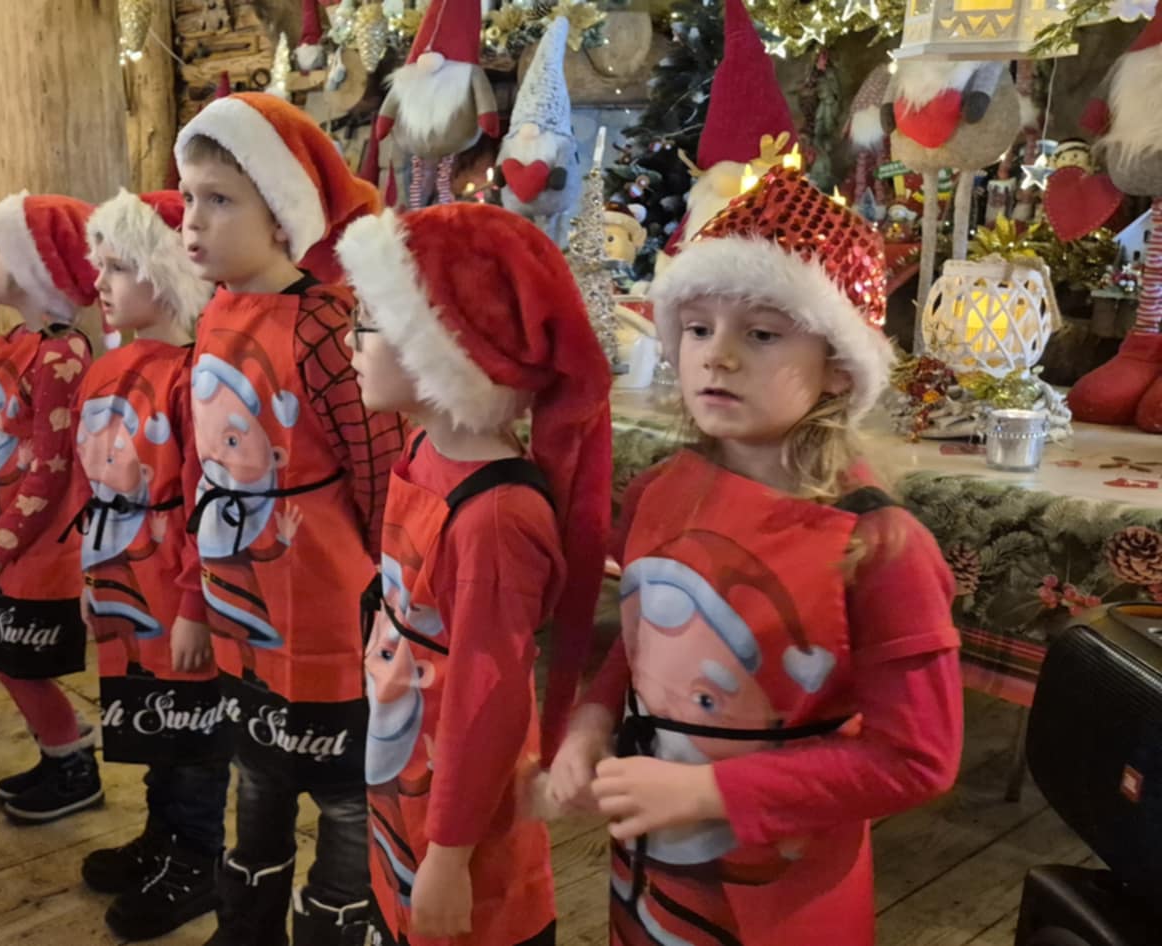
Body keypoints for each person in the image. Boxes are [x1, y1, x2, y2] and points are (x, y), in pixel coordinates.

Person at [545, 167, 963, 946]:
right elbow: (645, 638)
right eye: (698, 328)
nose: (718, 357)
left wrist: (711, 792)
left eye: (762, 334)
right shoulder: (663, 490)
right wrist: (593, 719)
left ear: (839, 366)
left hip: (782, 886)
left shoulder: (879, 545)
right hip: (653, 861)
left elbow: (918, 757)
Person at [336, 203, 612, 946]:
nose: (349, 341)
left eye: (370, 321)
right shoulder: (422, 452)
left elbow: (486, 704)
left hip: (459, 819)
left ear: (449, 348)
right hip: (406, 772)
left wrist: (450, 856)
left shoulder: (495, 517)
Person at [169, 91, 400, 946]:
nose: (193, 220)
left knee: (344, 791)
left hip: (332, 617)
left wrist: (391, 599)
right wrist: (192, 601)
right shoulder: (213, 314)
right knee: (257, 776)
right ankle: (247, 927)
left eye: (220, 199)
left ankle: (334, 927)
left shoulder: (325, 324)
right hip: (242, 612)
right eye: (188, 197)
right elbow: (198, 472)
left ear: (281, 216)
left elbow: (379, 470)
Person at [72, 189, 225, 940]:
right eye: (98, 265)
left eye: (119, 267)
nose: (99, 282)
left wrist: (196, 603)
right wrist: (88, 576)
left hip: (172, 581)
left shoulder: (193, 377)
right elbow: (91, 484)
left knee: (190, 727)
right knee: (151, 717)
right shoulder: (106, 369)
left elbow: (205, 498)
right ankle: (163, 837)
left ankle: (198, 858)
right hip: (124, 575)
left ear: (164, 273)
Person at [0, 191, 100, 825]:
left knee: (18, 657)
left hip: (41, 541)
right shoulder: (18, 342)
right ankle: (59, 750)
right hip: (7, 525)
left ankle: (71, 763)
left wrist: (0, 540)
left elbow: (51, 467)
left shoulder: (61, 353)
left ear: (34, 269)